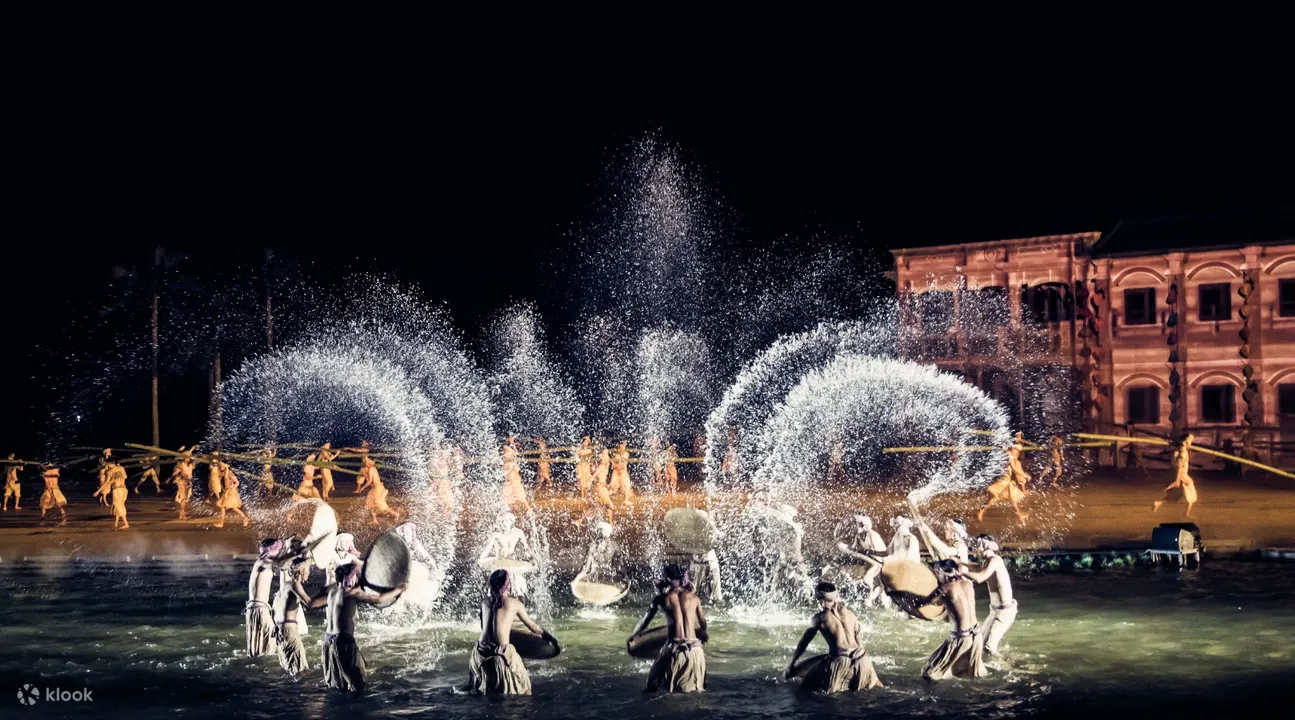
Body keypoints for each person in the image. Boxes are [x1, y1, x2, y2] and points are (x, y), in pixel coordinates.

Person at [305, 563, 407, 692]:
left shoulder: (332, 592)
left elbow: (312, 603)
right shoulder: (353, 593)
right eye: (354, 576)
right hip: (343, 641)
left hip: (328, 642)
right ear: (349, 578)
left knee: (338, 684)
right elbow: (378, 600)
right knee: (357, 685)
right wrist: (399, 589)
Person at [468, 569, 557, 695]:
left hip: (479, 654)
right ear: (508, 585)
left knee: (487, 691)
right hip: (502, 655)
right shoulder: (514, 603)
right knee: (525, 689)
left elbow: (485, 628)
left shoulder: (484, 602)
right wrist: (550, 638)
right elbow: (533, 627)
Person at [785, 582, 883, 693]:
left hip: (840, 660)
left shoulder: (820, 618)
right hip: (861, 658)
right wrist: (869, 669)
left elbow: (803, 643)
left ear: (819, 598)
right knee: (874, 688)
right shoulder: (851, 614)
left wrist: (791, 664)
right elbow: (859, 641)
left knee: (804, 688)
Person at [633, 563, 708, 693]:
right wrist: (701, 632)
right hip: (697, 651)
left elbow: (645, 621)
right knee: (698, 690)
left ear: (666, 578)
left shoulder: (661, 599)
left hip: (676, 650)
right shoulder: (695, 598)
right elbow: (703, 625)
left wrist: (634, 637)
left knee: (652, 686)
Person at [921, 559, 987, 680]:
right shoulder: (968, 584)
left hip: (961, 639)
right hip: (977, 636)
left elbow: (922, 603)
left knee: (929, 673)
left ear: (941, 572)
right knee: (970, 674)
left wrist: (899, 594)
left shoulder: (944, 590)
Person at [957, 535, 1017, 656]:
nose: (976, 549)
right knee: (979, 642)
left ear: (985, 546)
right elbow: (979, 568)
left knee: (989, 648)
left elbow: (980, 577)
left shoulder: (996, 560)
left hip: (1004, 612)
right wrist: (960, 562)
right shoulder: (988, 562)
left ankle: (1009, 668)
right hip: (995, 611)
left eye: (978, 546)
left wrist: (963, 572)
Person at [834, 514, 887, 605]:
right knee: (868, 584)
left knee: (872, 581)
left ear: (863, 524)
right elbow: (853, 549)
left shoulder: (872, 535)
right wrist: (843, 547)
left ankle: (872, 595)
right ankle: (869, 601)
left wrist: (863, 551)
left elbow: (882, 553)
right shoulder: (858, 536)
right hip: (871, 562)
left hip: (881, 562)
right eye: (856, 524)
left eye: (858, 524)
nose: (855, 526)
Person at [275, 554, 313, 676]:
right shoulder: (295, 585)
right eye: (307, 570)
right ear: (301, 571)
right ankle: (301, 693)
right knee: (300, 669)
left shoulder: (286, 585)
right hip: (289, 631)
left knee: (290, 667)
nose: (309, 573)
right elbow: (310, 604)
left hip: (280, 630)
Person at [478, 512, 532, 596]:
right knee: (498, 592)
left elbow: (526, 548)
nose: (504, 524)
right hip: (499, 564)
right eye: (502, 522)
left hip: (511, 563)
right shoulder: (496, 535)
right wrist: (481, 558)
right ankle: (497, 605)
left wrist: (532, 558)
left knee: (518, 590)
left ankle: (518, 605)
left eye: (506, 521)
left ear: (511, 521)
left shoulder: (518, 532)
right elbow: (488, 548)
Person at [977, 435, 1029, 522]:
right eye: (1016, 450)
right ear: (1012, 450)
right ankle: (980, 512)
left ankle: (1019, 516)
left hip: (1007, 481)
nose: (1017, 453)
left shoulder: (1008, 455)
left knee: (1012, 499)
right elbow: (1015, 469)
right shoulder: (1010, 457)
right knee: (993, 499)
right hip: (1004, 481)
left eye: (1018, 451)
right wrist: (1024, 475)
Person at [246, 539, 283, 658]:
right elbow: (281, 563)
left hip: (253, 610)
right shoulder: (264, 562)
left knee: (259, 648)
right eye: (278, 549)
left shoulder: (260, 562)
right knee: (271, 643)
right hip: (260, 610)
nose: (279, 552)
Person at [770, 504, 811, 599]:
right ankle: (773, 597)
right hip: (784, 560)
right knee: (776, 582)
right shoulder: (782, 527)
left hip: (795, 560)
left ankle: (808, 598)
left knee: (803, 582)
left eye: (782, 513)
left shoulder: (794, 526)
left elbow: (794, 527)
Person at [1154, 433, 1199, 518]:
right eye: (1190, 441)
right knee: (1191, 498)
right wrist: (1177, 481)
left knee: (1176, 497)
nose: (1191, 443)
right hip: (1183, 477)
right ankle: (1186, 514)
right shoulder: (1182, 453)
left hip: (1182, 476)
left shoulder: (1178, 451)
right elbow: (1180, 467)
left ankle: (1158, 503)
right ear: (1185, 442)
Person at [356, 455, 400, 526]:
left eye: (367, 462)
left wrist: (363, 487)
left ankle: (395, 514)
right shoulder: (368, 469)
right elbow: (370, 479)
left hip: (378, 488)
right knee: (370, 503)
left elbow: (370, 481)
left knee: (379, 503)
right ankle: (375, 520)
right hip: (374, 488)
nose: (366, 463)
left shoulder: (372, 469)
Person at [216, 462, 251, 528]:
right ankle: (245, 518)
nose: (220, 467)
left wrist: (233, 487)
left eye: (222, 466)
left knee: (223, 506)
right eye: (220, 466)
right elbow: (220, 475)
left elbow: (237, 482)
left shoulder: (230, 473)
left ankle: (221, 523)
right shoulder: (225, 472)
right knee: (233, 508)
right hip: (227, 492)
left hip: (231, 492)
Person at [169, 447, 195, 520]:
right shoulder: (181, 464)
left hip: (188, 482)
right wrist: (172, 477)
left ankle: (182, 514)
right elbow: (175, 473)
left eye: (189, 457)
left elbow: (193, 458)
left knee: (186, 498)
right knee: (183, 498)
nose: (188, 458)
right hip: (182, 482)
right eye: (187, 457)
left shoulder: (191, 465)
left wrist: (192, 449)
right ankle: (182, 514)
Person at [107, 462, 129, 530]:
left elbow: (107, 483)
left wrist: (98, 491)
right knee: (119, 506)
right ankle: (116, 522)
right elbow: (125, 477)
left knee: (119, 507)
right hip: (124, 490)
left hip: (117, 490)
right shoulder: (121, 469)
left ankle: (126, 524)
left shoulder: (110, 472)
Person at [575, 436, 593, 500]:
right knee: (581, 480)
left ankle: (586, 495)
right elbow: (578, 455)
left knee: (587, 480)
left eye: (587, 442)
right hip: (581, 466)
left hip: (586, 466)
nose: (585, 443)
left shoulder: (589, 450)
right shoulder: (579, 449)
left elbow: (590, 457)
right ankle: (582, 495)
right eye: (585, 441)